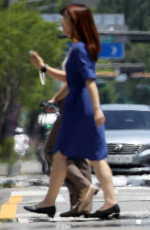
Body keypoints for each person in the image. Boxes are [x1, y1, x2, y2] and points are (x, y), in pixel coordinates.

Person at [24, 4, 119, 219]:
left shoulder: (78, 49)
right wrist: (46, 76)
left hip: (80, 107)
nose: (62, 23)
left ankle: (108, 201)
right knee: (67, 155)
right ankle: (51, 202)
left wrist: (96, 109)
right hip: (78, 104)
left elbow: (90, 81)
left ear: (75, 23)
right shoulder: (81, 47)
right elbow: (71, 80)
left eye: (65, 19)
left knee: (84, 155)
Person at [42, 88, 96, 217]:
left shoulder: (74, 68)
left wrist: (54, 100)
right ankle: (82, 205)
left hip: (70, 110)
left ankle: (85, 187)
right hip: (82, 106)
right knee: (77, 156)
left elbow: (70, 80)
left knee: (53, 152)